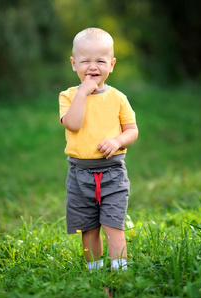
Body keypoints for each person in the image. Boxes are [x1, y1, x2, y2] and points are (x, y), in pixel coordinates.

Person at [59, 28, 138, 272]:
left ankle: (120, 270)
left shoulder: (118, 98)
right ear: (74, 64)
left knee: (114, 224)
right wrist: (83, 92)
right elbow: (72, 124)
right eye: (86, 61)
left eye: (100, 61)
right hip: (80, 174)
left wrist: (116, 142)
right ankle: (94, 271)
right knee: (88, 227)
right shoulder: (69, 95)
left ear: (111, 65)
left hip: (112, 172)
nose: (93, 67)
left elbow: (132, 130)